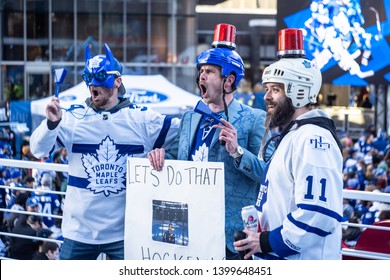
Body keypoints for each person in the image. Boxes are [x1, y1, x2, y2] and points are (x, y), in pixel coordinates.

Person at [29, 43, 180, 260]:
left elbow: (185, 134)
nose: (92, 83)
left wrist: (168, 154)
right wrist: (51, 124)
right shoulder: (72, 118)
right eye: (87, 78)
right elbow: (37, 149)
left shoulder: (143, 119)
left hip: (125, 232)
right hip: (78, 232)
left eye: (99, 77)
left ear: (118, 81)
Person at [148, 23, 271, 259]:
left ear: (228, 81)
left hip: (231, 236)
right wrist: (161, 156)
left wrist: (238, 152)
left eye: (210, 71)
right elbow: (176, 158)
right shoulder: (189, 117)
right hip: (187, 227)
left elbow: (267, 173)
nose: (201, 75)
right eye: (201, 70)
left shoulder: (256, 119)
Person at [234, 28, 343, 260]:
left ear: (299, 91)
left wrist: (265, 242)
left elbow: (317, 213)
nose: (266, 97)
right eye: (267, 89)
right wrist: (256, 236)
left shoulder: (313, 139)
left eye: (276, 90)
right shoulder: (294, 135)